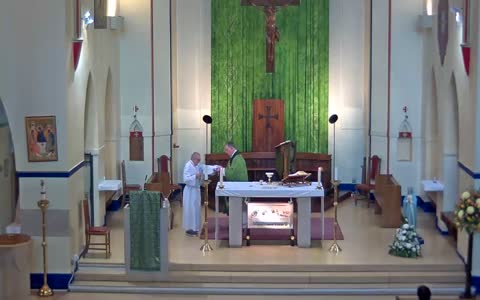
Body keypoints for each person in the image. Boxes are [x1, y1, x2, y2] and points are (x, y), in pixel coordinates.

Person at [222, 142, 248, 214]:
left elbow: (234, 174)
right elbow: (231, 170)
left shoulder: (238, 159)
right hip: (237, 186)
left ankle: (236, 224)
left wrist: (222, 171)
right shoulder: (234, 158)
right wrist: (223, 170)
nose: (225, 152)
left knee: (237, 210)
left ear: (232, 148)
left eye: (227, 150)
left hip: (239, 187)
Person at [182, 152, 203, 236]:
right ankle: (190, 229)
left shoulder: (196, 165)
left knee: (196, 209)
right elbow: (185, 179)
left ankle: (196, 227)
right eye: (198, 160)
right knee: (190, 209)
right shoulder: (188, 165)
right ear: (193, 158)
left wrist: (200, 177)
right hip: (190, 191)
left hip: (195, 190)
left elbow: (199, 175)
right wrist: (195, 176)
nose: (199, 161)